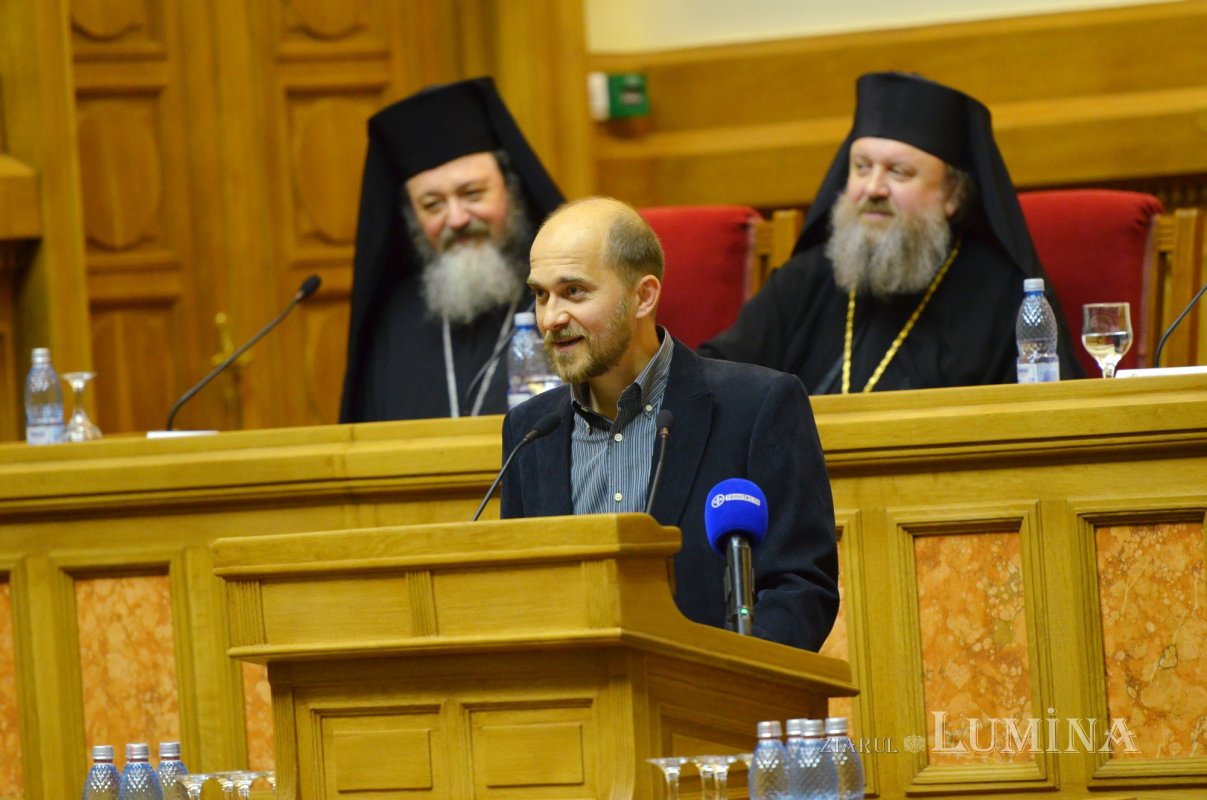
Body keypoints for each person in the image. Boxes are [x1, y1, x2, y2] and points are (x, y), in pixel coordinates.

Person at [499, 197, 839, 651]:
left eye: (574, 292)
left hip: (715, 707)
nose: (551, 318)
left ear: (644, 296)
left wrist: (731, 684)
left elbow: (800, 589)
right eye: (541, 294)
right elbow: (520, 597)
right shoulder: (529, 431)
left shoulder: (758, 406)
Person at [700, 71, 1083, 393]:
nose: (873, 188)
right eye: (862, 167)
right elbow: (713, 379)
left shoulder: (1000, 296)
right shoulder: (806, 279)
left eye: (899, 172)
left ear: (952, 195)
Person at [340, 77, 564, 422]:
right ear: (412, 217)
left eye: (473, 194)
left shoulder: (565, 298)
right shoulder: (395, 321)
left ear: (510, 188)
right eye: (433, 205)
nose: (457, 219)